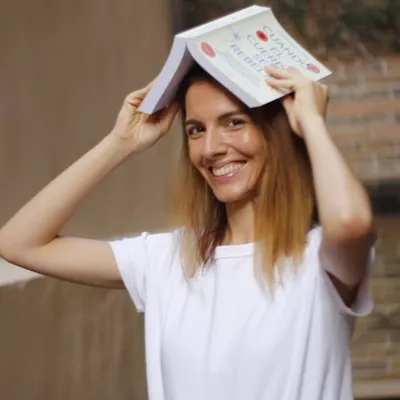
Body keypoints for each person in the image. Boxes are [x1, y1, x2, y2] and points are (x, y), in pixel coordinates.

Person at [0, 64, 376, 400]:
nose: (210, 149)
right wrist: (120, 144)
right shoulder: (168, 258)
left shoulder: (319, 257)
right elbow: (19, 244)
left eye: (234, 122)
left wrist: (311, 124)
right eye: (196, 130)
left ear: (277, 130)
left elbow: (350, 222)